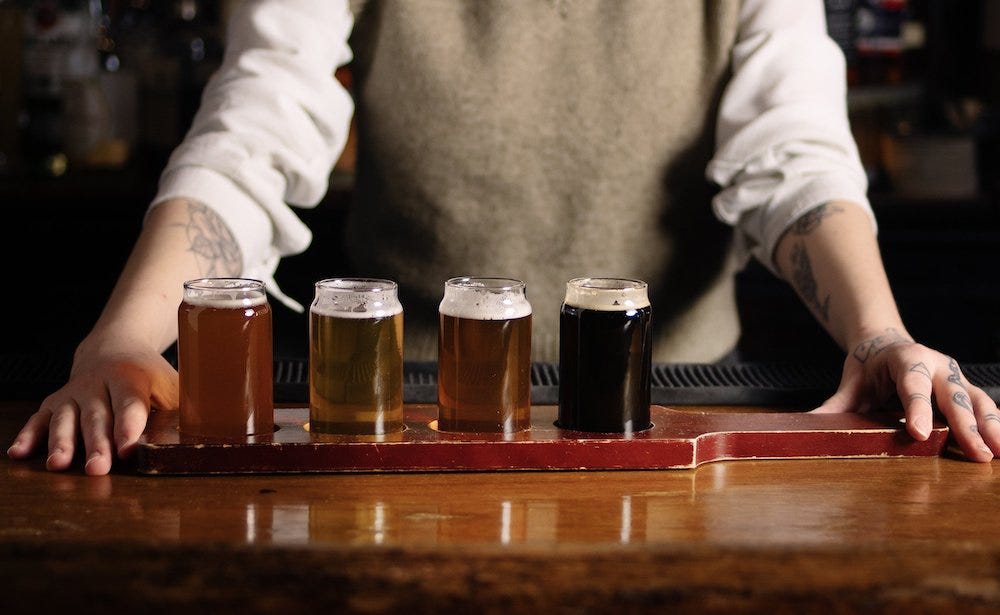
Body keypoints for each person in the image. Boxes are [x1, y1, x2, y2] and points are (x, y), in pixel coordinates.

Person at [8, 0, 998, 475]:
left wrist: (876, 335)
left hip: (670, 413)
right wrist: (126, 339)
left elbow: (797, 157)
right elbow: (257, 123)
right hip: (402, 416)